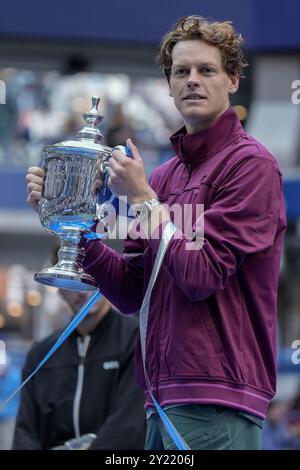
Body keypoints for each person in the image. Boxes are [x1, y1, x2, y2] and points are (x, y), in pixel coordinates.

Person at [26, 15, 287, 450]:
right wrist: (75, 226)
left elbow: (200, 275)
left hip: (217, 401)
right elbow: (132, 292)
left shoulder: (251, 167)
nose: (192, 81)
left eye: (207, 70)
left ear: (233, 81)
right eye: (181, 72)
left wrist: (144, 200)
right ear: (168, 85)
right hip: (158, 399)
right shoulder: (162, 177)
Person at [12, 291, 146, 450]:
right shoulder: (41, 354)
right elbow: (25, 432)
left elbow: (128, 424)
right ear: (60, 289)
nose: (83, 291)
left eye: (90, 279)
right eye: (73, 282)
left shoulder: (137, 339)